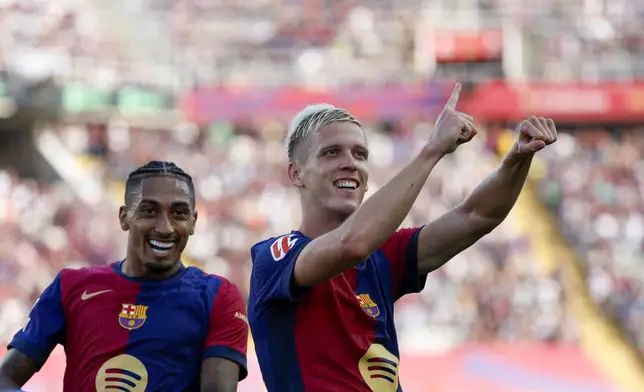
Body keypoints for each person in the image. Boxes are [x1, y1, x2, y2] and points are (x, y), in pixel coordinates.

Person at [247, 83, 558, 391]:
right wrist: (432, 149)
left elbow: (477, 216)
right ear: (296, 173)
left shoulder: (383, 254)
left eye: (360, 154)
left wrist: (517, 158)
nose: (350, 163)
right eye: (331, 152)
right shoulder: (274, 257)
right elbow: (352, 244)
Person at [0, 161, 249, 392]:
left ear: (193, 222)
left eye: (179, 213)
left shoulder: (219, 297)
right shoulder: (70, 286)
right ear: (124, 217)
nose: (165, 227)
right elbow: (5, 378)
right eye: (149, 211)